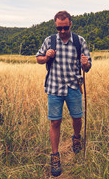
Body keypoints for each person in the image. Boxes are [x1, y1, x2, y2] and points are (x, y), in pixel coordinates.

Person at [36, 10, 92, 177]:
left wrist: (85, 63)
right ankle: (55, 156)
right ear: (56, 26)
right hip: (54, 88)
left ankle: (76, 138)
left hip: (74, 87)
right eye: (59, 28)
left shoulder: (79, 41)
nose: (61, 32)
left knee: (77, 118)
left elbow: (87, 66)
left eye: (65, 28)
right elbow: (38, 58)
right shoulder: (50, 41)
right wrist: (46, 57)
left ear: (70, 24)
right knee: (55, 123)